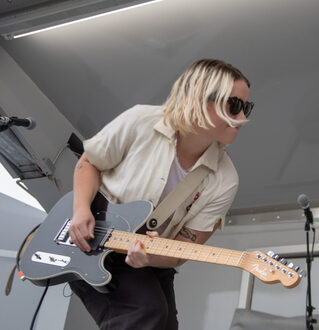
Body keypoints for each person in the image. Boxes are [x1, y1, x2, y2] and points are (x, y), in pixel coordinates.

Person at [67, 58, 254, 329]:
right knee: (146, 312)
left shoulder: (226, 179)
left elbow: (183, 248)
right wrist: (81, 209)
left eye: (246, 107)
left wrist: (151, 258)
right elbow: (89, 162)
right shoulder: (140, 120)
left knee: (164, 323)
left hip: (150, 256)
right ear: (200, 97)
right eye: (234, 106)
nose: (242, 118)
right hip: (92, 241)